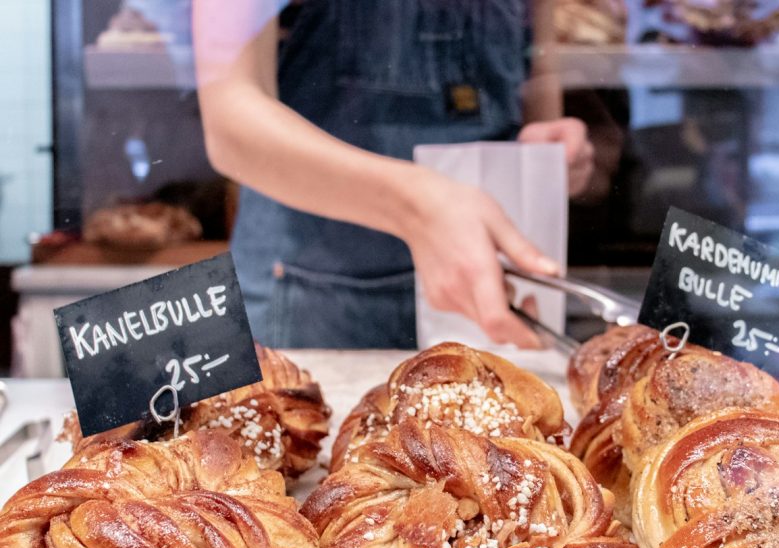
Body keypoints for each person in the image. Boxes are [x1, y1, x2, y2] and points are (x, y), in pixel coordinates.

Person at [193, 0, 595, 349]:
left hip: (489, 287)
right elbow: (230, 125)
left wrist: (547, 155)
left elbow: (538, 74)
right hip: (312, 296)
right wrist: (415, 207)